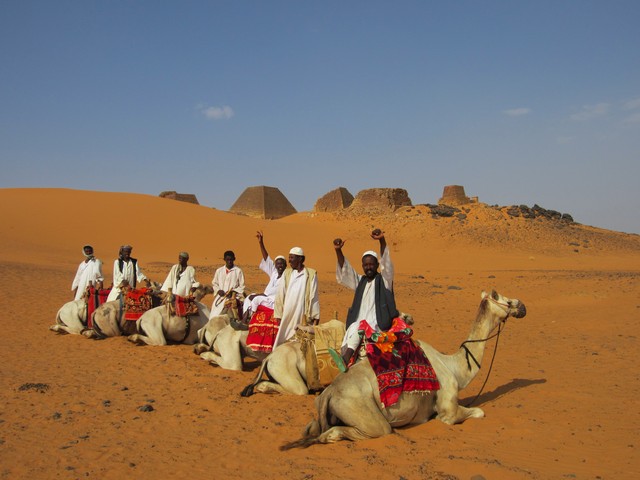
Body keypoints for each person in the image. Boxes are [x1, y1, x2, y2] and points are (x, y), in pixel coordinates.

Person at [330, 229, 399, 372]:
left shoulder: (384, 280)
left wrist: (381, 240)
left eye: (371, 264)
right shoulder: (360, 282)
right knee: (355, 327)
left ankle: (345, 358)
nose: (368, 267)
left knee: (359, 327)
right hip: (359, 323)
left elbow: (386, 262)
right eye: (365, 265)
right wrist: (338, 251)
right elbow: (346, 271)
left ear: (377, 265)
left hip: (377, 324)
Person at [272, 246, 320, 348]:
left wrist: (315, 316)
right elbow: (280, 295)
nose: (289, 261)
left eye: (292, 258)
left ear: (300, 259)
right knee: (282, 339)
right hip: (288, 313)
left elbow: (313, 296)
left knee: (300, 340)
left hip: (302, 313)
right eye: (289, 258)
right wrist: (279, 314)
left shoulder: (310, 274)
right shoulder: (287, 273)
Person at [239, 231, 287, 326]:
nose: (279, 265)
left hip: (274, 300)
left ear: (285, 265)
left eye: (281, 263)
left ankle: (246, 320)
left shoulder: (287, 276)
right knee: (249, 297)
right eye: (278, 264)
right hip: (266, 297)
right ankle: (246, 317)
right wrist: (261, 242)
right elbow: (266, 259)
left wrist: (264, 295)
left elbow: (277, 291)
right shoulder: (274, 272)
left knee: (256, 299)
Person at [209, 250, 245, 319]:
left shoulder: (238, 271)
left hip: (233, 298)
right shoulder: (219, 271)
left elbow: (242, 286)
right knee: (213, 316)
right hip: (221, 298)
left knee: (236, 316)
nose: (229, 261)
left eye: (231, 259)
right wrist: (218, 290)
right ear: (224, 259)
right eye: (227, 259)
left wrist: (233, 292)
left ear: (234, 259)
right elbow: (214, 283)